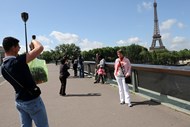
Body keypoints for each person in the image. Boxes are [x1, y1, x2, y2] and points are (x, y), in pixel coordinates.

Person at [1, 37, 49, 127]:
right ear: (13, 47)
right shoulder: (18, 62)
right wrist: (33, 40)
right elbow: (40, 48)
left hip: (19, 101)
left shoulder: (3, 68)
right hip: (32, 101)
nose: (19, 48)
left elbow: (19, 78)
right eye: (18, 46)